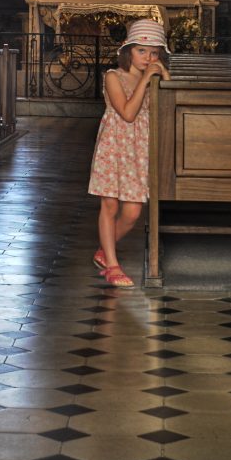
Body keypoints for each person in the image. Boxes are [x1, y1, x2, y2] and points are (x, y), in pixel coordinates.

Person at [88, 18, 171, 287]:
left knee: (133, 212)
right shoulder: (113, 76)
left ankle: (104, 250)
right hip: (114, 147)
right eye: (141, 50)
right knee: (110, 205)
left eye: (154, 53)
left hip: (139, 149)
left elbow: (168, 106)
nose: (148, 58)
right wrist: (146, 79)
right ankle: (112, 265)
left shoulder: (153, 79)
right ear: (128, 50)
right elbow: (127, 113)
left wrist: (163, 76)